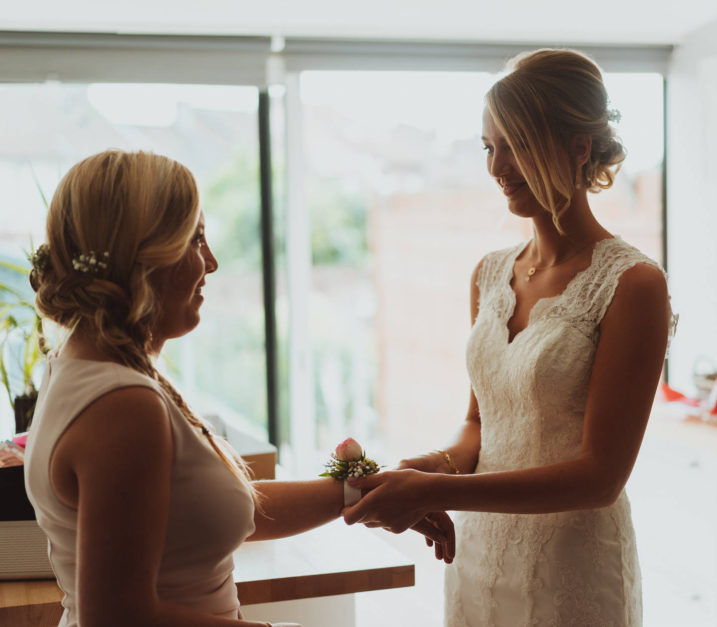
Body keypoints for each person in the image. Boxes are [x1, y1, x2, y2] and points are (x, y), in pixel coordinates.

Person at [23, 150, 454, 627]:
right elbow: (121, 618)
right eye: (197, 239)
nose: (212, 262)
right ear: (143, 254)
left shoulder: (86, 367)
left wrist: (361, 491)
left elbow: (222, 512)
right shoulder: (123, 406)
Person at [342, 49, 676, 626]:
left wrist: (431, 493)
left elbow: (600, 476)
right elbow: (482, 424)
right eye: (489, 147)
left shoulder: (633, 284)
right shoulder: (490, 273)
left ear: (578, 148)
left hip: (573, 568)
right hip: (479, 557)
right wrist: (435, 468)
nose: (498, 166)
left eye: (517, 145)